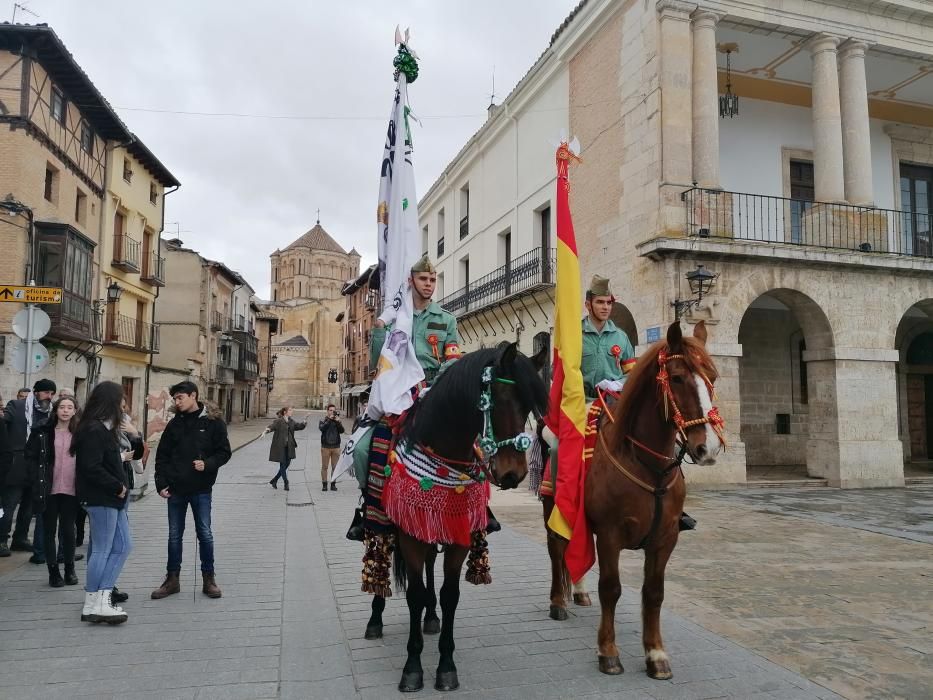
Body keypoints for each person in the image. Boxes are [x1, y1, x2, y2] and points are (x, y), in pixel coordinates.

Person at [151, 381, 231, 600]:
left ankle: (209, 579)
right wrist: (161, 483)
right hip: (176, 489)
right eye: (175, 399)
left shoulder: (213, 423)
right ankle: (172, 580)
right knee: (174, 536)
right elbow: (162, 456)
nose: (177, 402)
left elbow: (224, 452)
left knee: (204, 534)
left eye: (180, 398)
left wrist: (208, 464)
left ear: (193, 396)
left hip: (201, 489)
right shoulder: (174, 424)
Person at [72, 381, 131, 624]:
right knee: (104, 549)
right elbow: (91, 466)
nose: (124, 404)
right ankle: (98, 602)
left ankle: (96, 602)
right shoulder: (94, 429)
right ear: (111, 402)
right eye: (121, 400)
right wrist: (117, 486)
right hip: (102, 498)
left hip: (110, 499)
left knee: (121, 546)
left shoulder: (101, 428)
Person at [25, 395, 81, 587]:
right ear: (55, 410)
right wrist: (35, 479)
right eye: (62, 407)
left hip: (71, 489)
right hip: (48, 488)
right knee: (49, 531)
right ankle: (53, 572)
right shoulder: (42, 432)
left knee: (68, 530)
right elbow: (30, 456)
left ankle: (69, 569)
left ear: (75, 411)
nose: (65, 410)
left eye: (69, 407)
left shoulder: (81, 433)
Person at [0, 378, 56, 558]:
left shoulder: (52, 412)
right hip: (16, 464)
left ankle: (20, 538)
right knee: (9, 505)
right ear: (37, 391)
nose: (50, 396)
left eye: (52, 393)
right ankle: (1, 539)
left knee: (29, 506)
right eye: (47, 392)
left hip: (38, 465)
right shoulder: (16, 406)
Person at [264, 406, 307, 491]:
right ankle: (286, 482)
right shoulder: (279, 421)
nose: (292, 412)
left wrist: (305, 420)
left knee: (286, 464)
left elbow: (299, 426)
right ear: (285, 412)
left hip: (289, 447)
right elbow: (271, 426)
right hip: (280, 447)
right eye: (290, 410)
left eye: (292, 410)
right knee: (282, 464)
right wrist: (266, 430)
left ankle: (275, 480)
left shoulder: (291, 421)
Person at [319, 404, 344, 492]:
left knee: (335, 467)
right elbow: (322, 428)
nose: (332, 412)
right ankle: (324, 484)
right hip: (325, 447)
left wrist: (338, 422)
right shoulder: (323, 420)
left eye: (333, 410)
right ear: (327, 411)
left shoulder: (337, 420)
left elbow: (342, 431)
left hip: (336, 447)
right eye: (330, 410)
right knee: (324, 467)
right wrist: (329, 419)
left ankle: (333, 484)